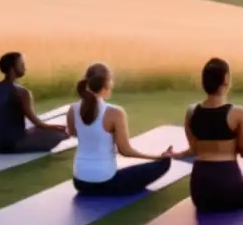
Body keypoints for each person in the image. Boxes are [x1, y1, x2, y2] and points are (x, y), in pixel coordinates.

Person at [172, 58, 243, 212]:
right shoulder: (237, 113)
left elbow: (194, 149)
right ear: (226, 81)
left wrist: (175, 154)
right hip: (228, 190)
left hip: (200, 193)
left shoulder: (191, 112)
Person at [68, 63, 174, 196]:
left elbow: (72, 133)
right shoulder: (115, 112)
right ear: (107, 84)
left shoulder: (73, 109)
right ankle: (163, 161)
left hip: (80, 183)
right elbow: (125, 151)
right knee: (164, 164)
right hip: (106, 183)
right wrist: (157, 157)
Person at [0, 51, 68, 154]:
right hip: (13, 143)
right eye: (21, 65)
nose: (24, 68)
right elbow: (38, 124)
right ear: (12, 69)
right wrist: (61, 128)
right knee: (59, 134)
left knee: (32, 131)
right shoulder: (22, 92)